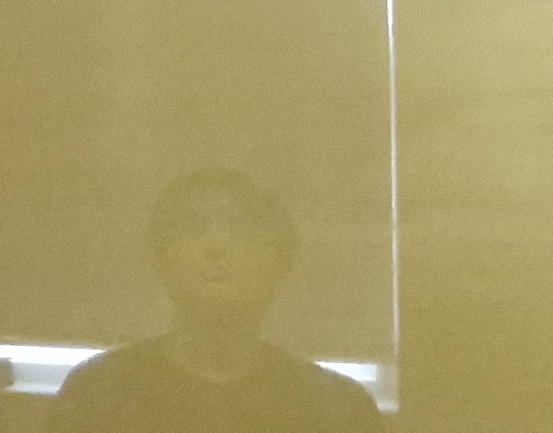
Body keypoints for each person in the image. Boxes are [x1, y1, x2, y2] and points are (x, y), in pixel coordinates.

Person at [50, 170, 380, 433]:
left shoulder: (336, 410)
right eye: (193, 228)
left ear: (281, 261)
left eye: (242, 231)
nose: (216, 246)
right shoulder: (99, 394)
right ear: (161, 259)